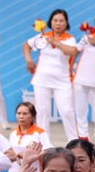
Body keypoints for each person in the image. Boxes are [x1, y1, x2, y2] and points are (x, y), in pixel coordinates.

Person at [22, 9, 79, 141]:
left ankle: (74, 141)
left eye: (61, 21)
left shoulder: (69, 39)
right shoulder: (43, 36)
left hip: (62, 80)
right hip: (42, 79)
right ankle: (43, 142)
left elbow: (72, 51)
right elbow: (26, 45)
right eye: (55, 20)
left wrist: (55, 42)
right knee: (42, 111)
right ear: (50, 22)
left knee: (66, 111)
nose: (58, 23)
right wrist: (28, 59)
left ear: (66, 23)